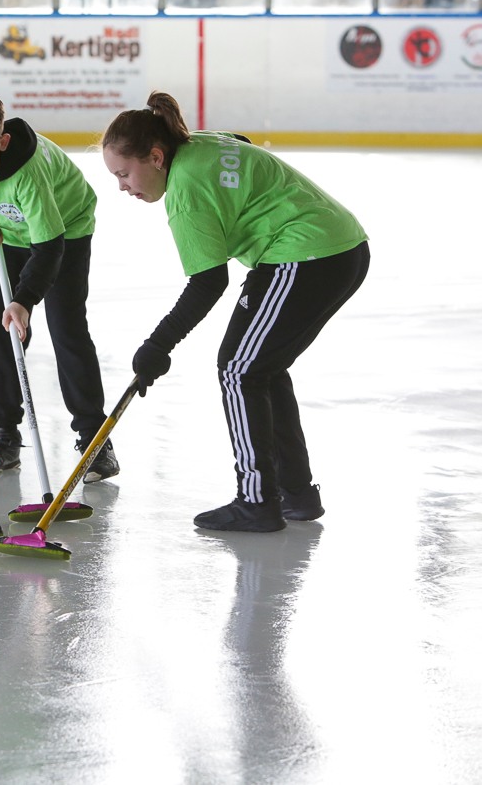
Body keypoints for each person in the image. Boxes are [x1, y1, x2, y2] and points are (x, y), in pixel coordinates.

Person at [100, 91, 370, 532]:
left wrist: (158, 344)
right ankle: (296, 494)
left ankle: (257, 500)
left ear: (156, 157)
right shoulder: (198, 141)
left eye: (124, 173)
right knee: (259, 367)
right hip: (340, 246)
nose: (122, 186)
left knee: (239, 370)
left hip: (306, 255)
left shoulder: (185, 193)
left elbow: (208, 283)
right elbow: (239, 141)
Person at [0, 88, 119, 481]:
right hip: (9, 236)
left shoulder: (29, 175)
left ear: (2, 142)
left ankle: (96, 441)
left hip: (64, 231)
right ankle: (4, 437)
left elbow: (49, 247)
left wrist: (23, 300)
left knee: (67, 330)